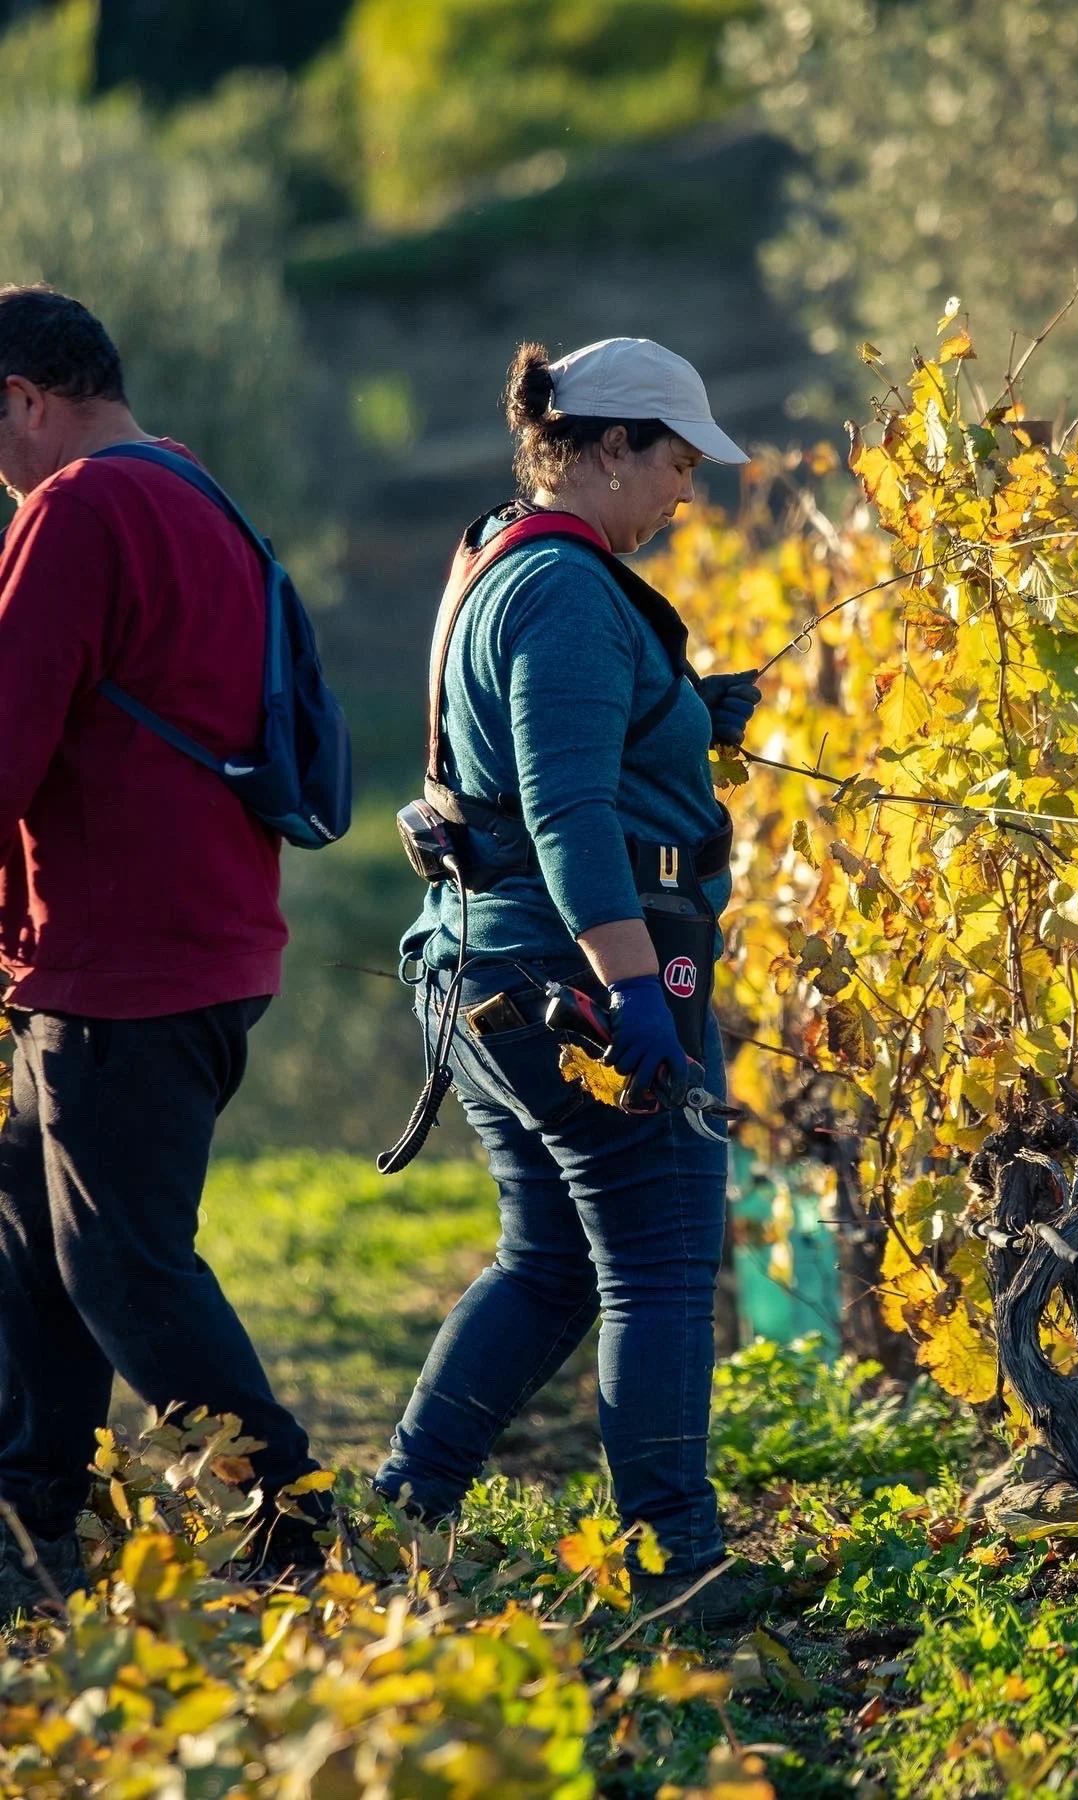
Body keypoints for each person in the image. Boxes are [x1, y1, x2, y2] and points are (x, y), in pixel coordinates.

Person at [376, 336, 765, 1627]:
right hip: (570, 979)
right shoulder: (566, 593)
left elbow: (531, 751)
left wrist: (679, 713)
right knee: (659, 1263)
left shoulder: (503, 558)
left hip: (486, 969)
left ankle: (407, 1503)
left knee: (546, 1262)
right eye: (671, 461)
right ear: (602, 447)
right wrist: (638, 988)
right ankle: (678, 1562)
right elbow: (564, 807)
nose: (684, 492)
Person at [0, 286, 329, 1617]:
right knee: (32, 1239)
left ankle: (293, 1518)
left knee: (122, 1265)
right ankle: (31, 1522)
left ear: (22, 397)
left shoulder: (74, 511)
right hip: (188, 943)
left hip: (122, 962)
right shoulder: (192, 488)